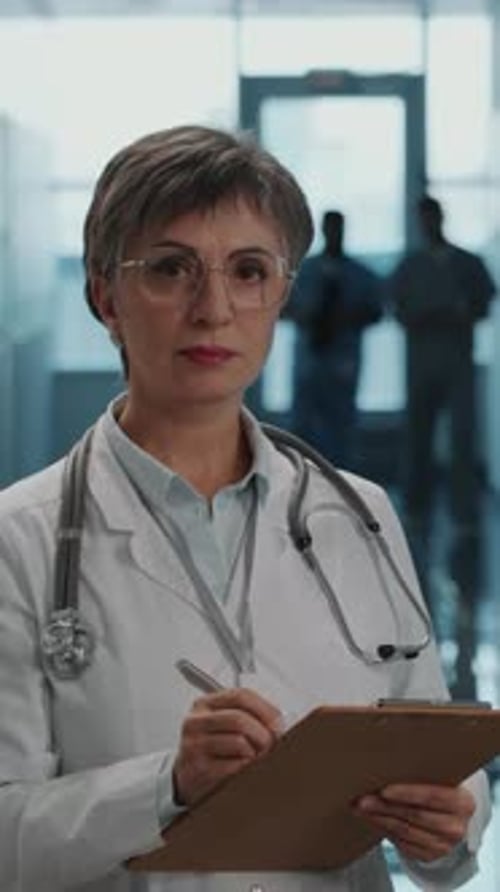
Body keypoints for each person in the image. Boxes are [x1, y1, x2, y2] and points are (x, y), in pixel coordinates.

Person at [0, 126, 490, 892]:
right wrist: (166, 785)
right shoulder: (17, 541)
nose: (214, 309)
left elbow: (427, 742)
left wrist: (450, 824)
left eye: (249, 271)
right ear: (105, 296)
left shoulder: (357, 514)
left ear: (282, 295)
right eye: (170, 269)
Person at [390, 195, 496, 569]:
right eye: (422, 219)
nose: (427, 225)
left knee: (462, 438)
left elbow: (483, 305)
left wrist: (449, 313)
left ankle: (463, 513)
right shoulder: (410, 267)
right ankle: (415, 509)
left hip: (456, 364)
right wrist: (440, 312)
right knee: (418, 436)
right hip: (423, 364)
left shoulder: (468, 264)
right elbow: (399, 310)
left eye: (431, 217)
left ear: (440, 217)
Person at [285, 209, 383, 469]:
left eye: (337, 228)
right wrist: (306, 315)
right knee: (302, 425)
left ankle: (340, 487)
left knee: (342, 426)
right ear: (323, 230)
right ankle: (299, 483)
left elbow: (376, 311)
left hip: (343, 359)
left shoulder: (361, 275)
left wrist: (348, 317)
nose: (334, 233)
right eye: (329, 228)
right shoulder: (302, 273)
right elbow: (282, 309)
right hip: (309, 358)